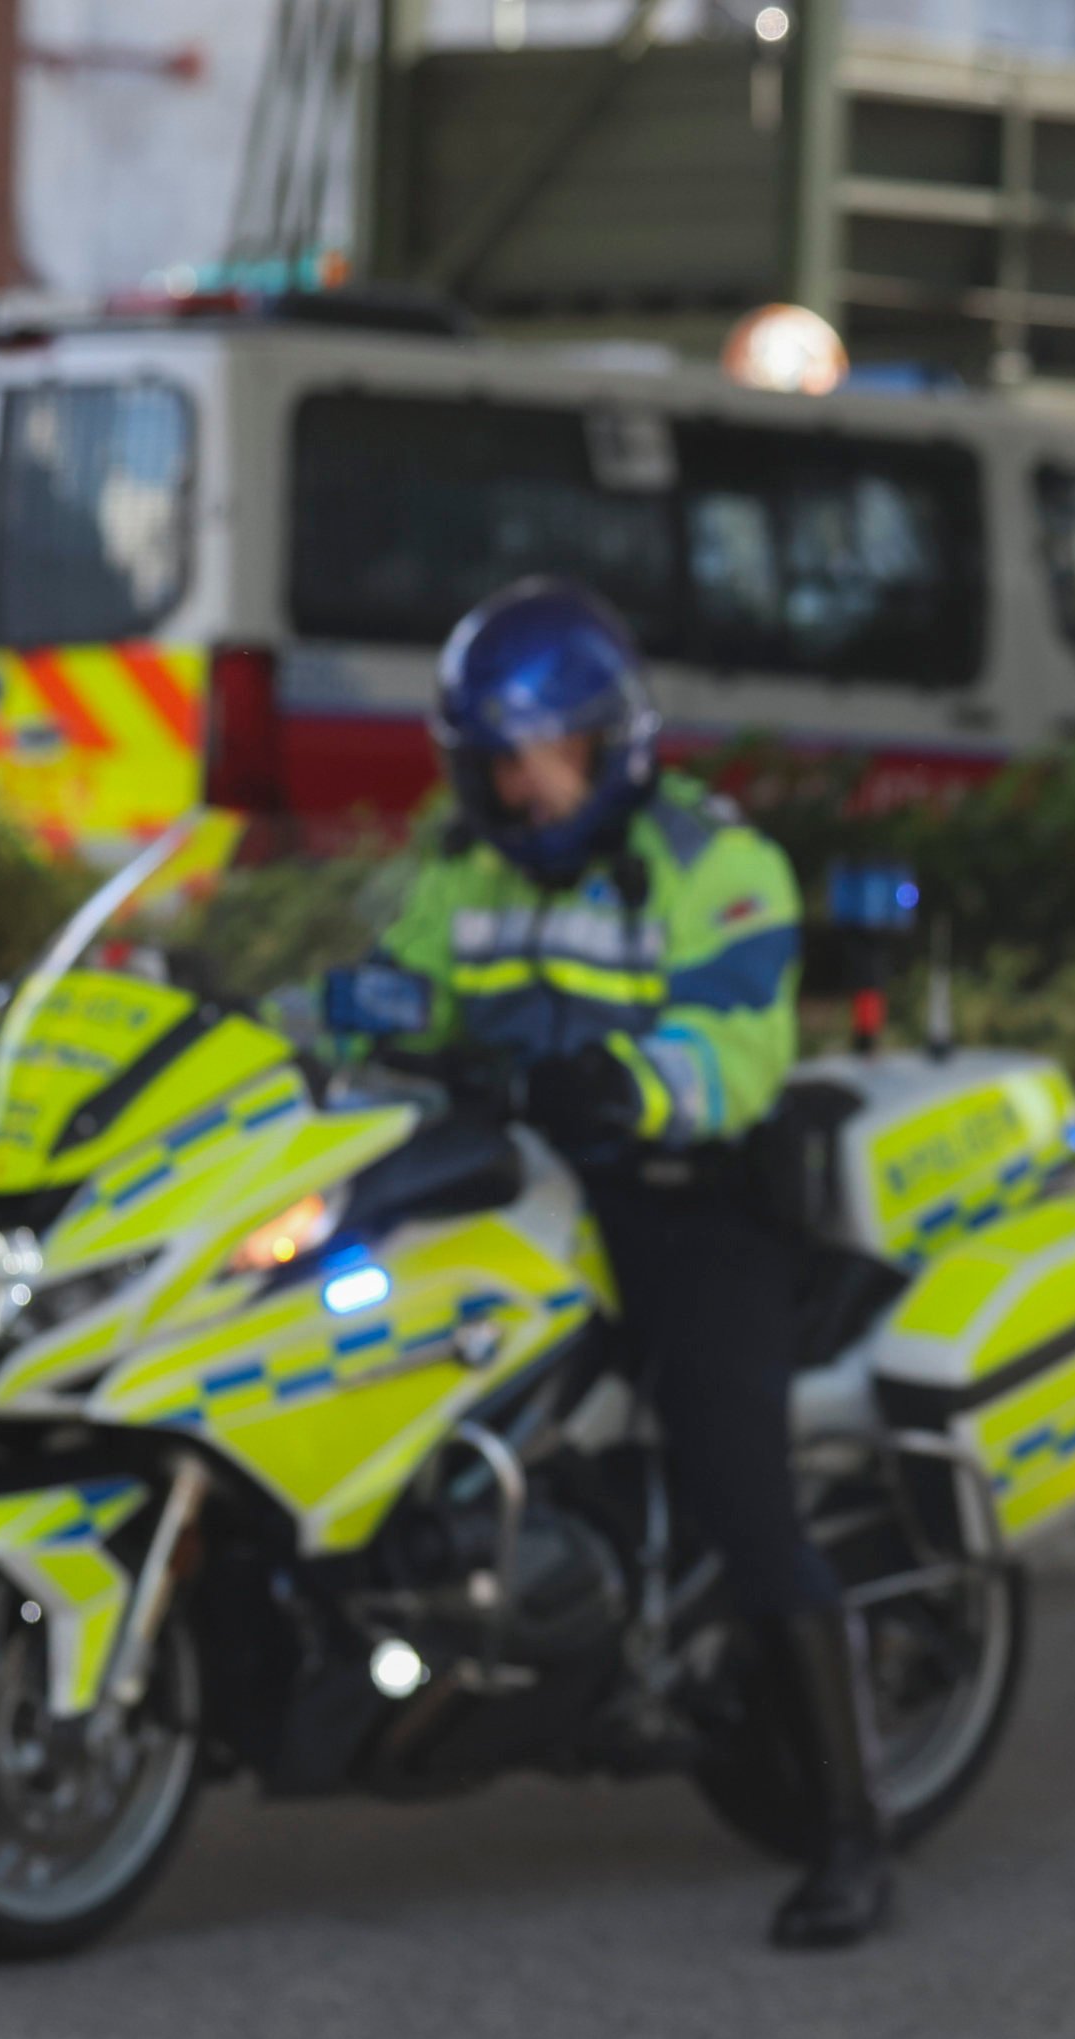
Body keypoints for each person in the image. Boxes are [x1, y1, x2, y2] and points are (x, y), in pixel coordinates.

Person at [357, 578, 890, 1951]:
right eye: (485, 764)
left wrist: (632, 1088)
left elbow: (737, 1047)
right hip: (518, 1186)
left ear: (604, 744)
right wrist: (293, 1007)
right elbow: (388, 985)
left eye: (528, 760)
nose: (507, 790)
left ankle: (847, 1832)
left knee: (735, 1482)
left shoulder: (716, 863)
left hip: (681, 1199)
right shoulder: (463, 864)